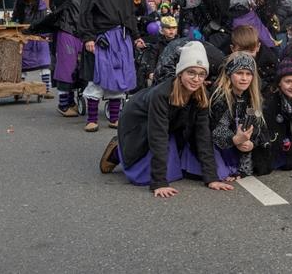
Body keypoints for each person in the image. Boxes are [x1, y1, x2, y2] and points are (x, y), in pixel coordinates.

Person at [99, 41, 233, 197]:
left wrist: (211, 178)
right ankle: (118, 150)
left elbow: (203, 136)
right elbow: (158, 136)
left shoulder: (202, 96)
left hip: (170, 124)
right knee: (146, 178)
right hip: (138, 123)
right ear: (180, 73)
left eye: (201, 74)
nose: (196, 79)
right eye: (191, 72)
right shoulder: (161, 95)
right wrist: (159, 182)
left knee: (197, 171)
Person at [78, 0, 139, 132]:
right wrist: (88, 37)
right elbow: (85, 11)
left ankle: (114, 118)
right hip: (100, 37)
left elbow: (129, 13)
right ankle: (92, 119)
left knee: (118, 77)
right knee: (98, 77)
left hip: (121, 37)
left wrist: (136, 36)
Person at [208, 52, 271, 180]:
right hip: (222, 146)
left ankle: (242, 167)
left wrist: (252, 143)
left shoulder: (253, 98)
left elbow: (259, 125)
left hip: (243, 144)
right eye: (239, 73)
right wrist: (235, 139)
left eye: (248, 74)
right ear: (230, 74)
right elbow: (216, 128)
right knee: (221, 172)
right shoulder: (220, 98)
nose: (244, 78)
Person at [12, 0, 53, 97]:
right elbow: (16, 20)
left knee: (44, 64)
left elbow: (43, 22)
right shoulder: (18, 5)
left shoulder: (41, 4)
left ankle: (46, 89)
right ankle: (20, 89)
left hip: (39, 37)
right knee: (23, 65)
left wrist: (34, 30)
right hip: (24, 38)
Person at [230, 24, 278, 94]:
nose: (247, 55)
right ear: (232, 49)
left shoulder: (269, 62)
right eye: (241, 51)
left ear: (258, 47)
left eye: (251, 51)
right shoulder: (226, 62)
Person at [137, 16, 179, 91]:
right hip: (161, 76)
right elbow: (152, 59)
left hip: (177, 76)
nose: (171, 30)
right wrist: (150, 72)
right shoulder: (158, 45)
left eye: (174, 28)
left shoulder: (180, 44)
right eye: (168, 28)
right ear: (162, 30)